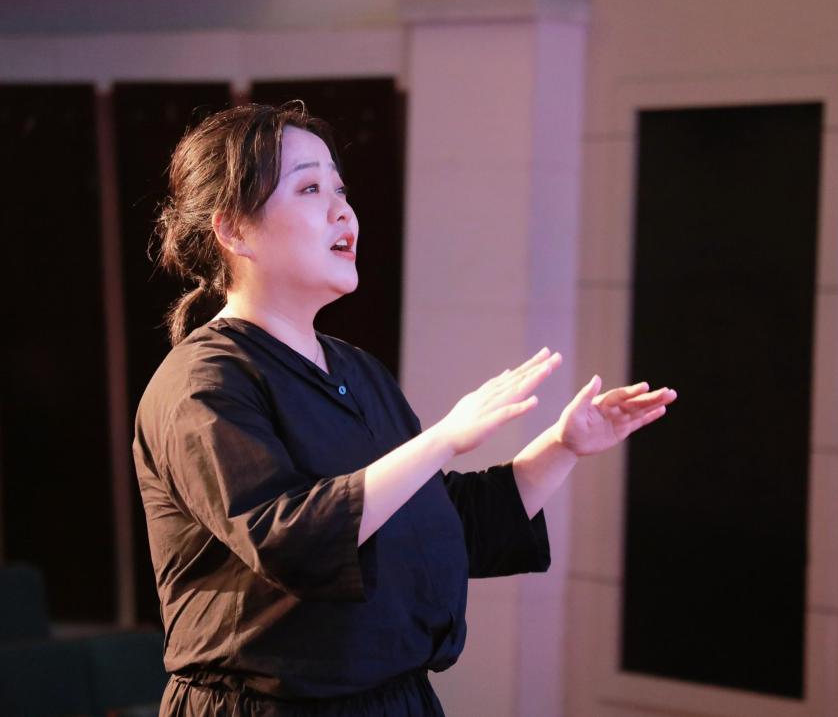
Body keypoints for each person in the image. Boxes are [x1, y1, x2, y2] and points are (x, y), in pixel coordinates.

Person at [132, 102, 676, 716]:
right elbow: (292, 540)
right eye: (309, 189)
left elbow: (433, 520)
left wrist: (563, 446)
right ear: (233, 231)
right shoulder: (202, 381)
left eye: (340, 190)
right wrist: (444, 438)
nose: (343, 211)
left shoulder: (356, 368)